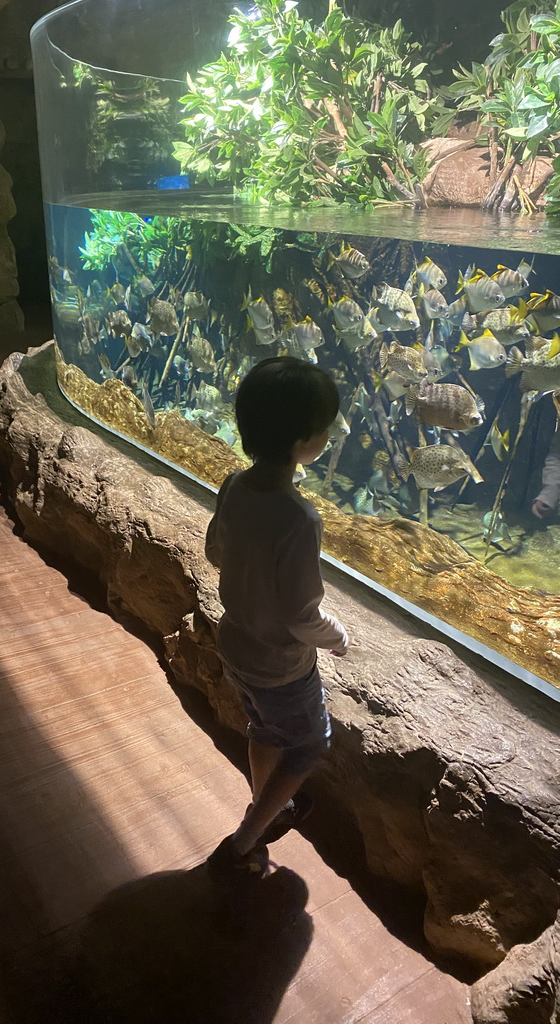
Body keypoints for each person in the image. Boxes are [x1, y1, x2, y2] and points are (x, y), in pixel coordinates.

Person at [204, 356, 349, 879]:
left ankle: (273, 807)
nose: (329, 434)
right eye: (325, 428)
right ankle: (244, 841)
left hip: (236, 643)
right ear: (302, 443)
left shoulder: (232, 485)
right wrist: (338, 637)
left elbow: (214, 551)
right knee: (310, 745)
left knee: (262, 727)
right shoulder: (300, 518)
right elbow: (300, 613)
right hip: (281, 664)